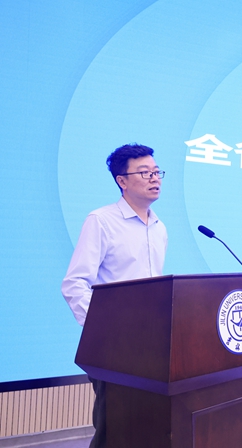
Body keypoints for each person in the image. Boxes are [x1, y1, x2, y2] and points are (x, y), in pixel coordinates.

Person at [61, 144, 168, 448]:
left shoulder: (159, 227)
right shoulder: (102, 220)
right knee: (113, 430)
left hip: (152, 344)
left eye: (156, 172)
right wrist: (104, 329)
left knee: (146, 426)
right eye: (144, 173)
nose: (154, 178)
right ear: (122, 180)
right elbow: (75, 283)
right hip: (113, 347)